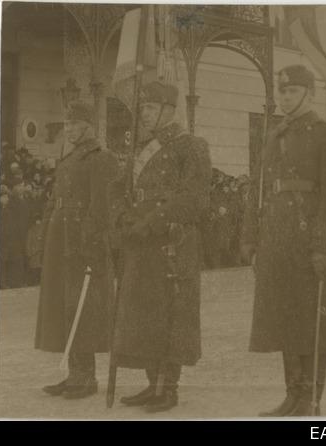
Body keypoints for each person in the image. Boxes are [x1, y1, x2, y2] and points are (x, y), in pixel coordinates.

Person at [239, 65, 326, 417]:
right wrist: (250, 236)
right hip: (276, 237)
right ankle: (293, 395)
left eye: (292, 91)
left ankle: (310, 400)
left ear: (310, 94)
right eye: (282, 91)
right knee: (284, 318)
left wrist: (323, 244)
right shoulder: (274, 134)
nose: (285, 97)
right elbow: (257, 190)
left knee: (312, 320)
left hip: (308, 239)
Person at [109, 81, 212, 412]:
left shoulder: (191, 145)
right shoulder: (142, 149)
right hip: (141, 241)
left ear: (169, 110)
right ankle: (152, 384)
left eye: (151, 108)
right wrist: (123, 216)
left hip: (171, 241)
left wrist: (151, 222)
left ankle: (169, 389)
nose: (145, 114)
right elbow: (122, 190)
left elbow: (194, 199)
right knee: (144, 314)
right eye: (143, 109)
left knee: (171, 316)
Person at [35, 100, 118, 399]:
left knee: (84, 309)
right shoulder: (69, 159)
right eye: (67, 124)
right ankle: (74, 373)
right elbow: (54, 199)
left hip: (84, 243)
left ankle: (86, 377)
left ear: (88, 126)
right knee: (65, 306)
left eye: (74, 124)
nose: (68, 129)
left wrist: (90, 243)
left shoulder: (101, 158)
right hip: (62, 240)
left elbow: (101, 207)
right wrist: (46, 235)